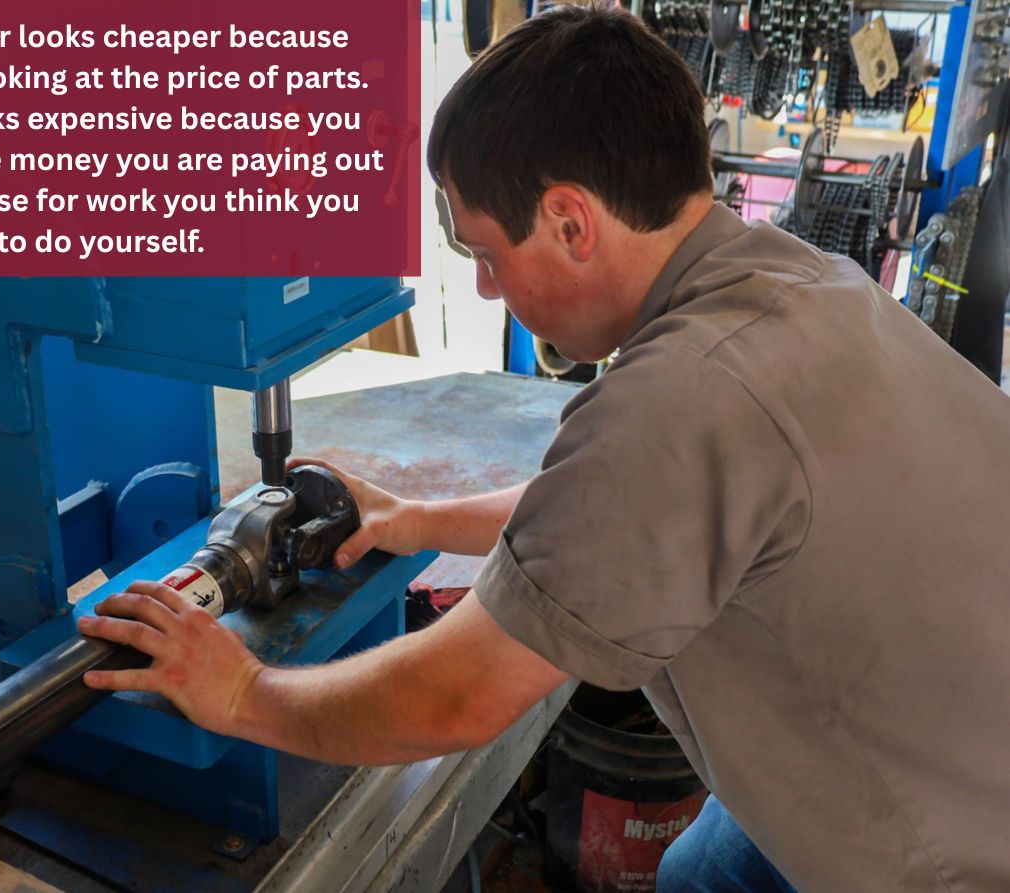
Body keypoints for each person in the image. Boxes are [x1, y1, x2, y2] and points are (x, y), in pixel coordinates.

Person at [79, 6, 1010, 891]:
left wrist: (239, 689)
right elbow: (620, 517)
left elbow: (457, 698)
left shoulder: (680, 398)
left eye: (486, 254)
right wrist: (417, 520)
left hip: (956, 845)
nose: (486, 290)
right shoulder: (799, 278)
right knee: (697, 870)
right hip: (965, 725)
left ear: (570, 221)